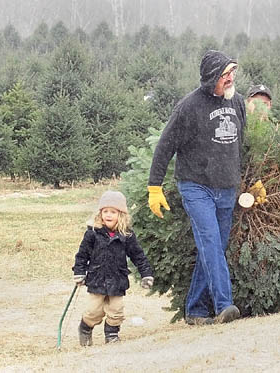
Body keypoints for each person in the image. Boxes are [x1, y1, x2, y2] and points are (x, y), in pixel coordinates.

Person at [147, 50, 250, 326]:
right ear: (211, 78)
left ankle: (194, 310)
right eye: (225, 75)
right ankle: (225, 305)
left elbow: (243, 146)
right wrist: (154, 187)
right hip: (196, 186)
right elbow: (164, 147)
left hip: (227, 187)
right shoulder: (188, 108)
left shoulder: (237, 103)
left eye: (232, 74)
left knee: (214, 248)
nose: (230, 79)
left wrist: (254, 181)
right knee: (211, 243)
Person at [73, 191, 154, 346]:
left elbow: (138, 255)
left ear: (121, 214)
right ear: (100, 213)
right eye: (105, 211)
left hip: (117, 279)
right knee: (93, 311)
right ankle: (85, 328)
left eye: (113, 212)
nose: (108, 215)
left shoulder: (127, 235)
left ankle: (111, 335)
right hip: (96, 278)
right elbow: (82, 255)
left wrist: (146, 274)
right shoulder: (92, 233)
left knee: (116, 310)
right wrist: (79, 272)